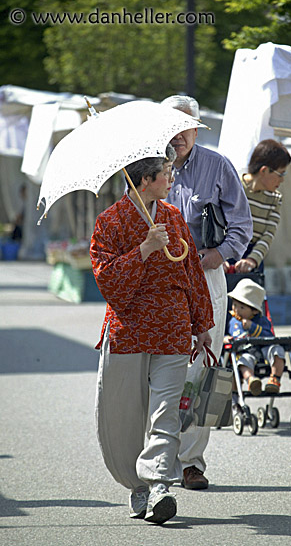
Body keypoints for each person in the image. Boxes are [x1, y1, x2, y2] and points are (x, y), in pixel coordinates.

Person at [90, 144, 214, 525]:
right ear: (145, 180)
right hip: (129, 331)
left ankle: (159, 483)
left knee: (165, 412)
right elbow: (107, 280)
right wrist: (144, 248)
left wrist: (202, 324)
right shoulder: (110, 222)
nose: (172, 178)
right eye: (166, 173)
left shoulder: (175, 217)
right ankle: (137, 485)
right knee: (125, 415)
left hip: (173, 327)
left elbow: (192, 270)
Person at [161, 95, 253, 490]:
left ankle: (191, 462)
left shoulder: (217, 165)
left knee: (202, 369)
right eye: (170, 126)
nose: (177, 135)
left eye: (184, 127)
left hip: (206, 275)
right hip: (161, 282)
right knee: (162, 370)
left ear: (197, 128)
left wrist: (217, 254)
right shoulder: (149, 169)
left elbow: (242, 228)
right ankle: (158, 458)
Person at [226, 139, 291, 274]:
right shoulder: (232, 186)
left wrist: (252, 260)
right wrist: (219, 257)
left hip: (252, 259)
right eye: (281, 173)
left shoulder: (275, 199)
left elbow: (268, 235)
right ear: (264, 170)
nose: (282, 180)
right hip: (225, 253)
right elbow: (217, 225)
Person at [226, 278, 285, 396]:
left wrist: (252, 327)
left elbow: (269, 336)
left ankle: (274, 379)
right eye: (234, 305)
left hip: (265, 351)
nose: (236, 310)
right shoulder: (232, 322)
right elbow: (227, 334)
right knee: (244, 361)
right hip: (246, 351)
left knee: (278, 350)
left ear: (254, 311)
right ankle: (251, 380)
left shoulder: (262, 321)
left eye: (241, 307)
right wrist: (225, 338)